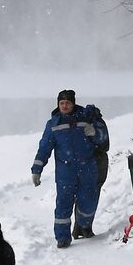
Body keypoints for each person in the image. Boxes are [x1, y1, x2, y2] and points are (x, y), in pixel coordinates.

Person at [31, 89, 109, 247]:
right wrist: (36, 169)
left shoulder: (85, 118)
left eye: (67, 102)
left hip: (88, 168)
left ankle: (84, 226)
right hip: (65, 172)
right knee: (63, 205)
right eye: (62, 103)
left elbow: (102, 139)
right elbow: (44, 148)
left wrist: (94, 132)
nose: (64, 106)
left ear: (73, 103)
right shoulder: (53, 124)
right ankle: (62, 238)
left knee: (88, 201)